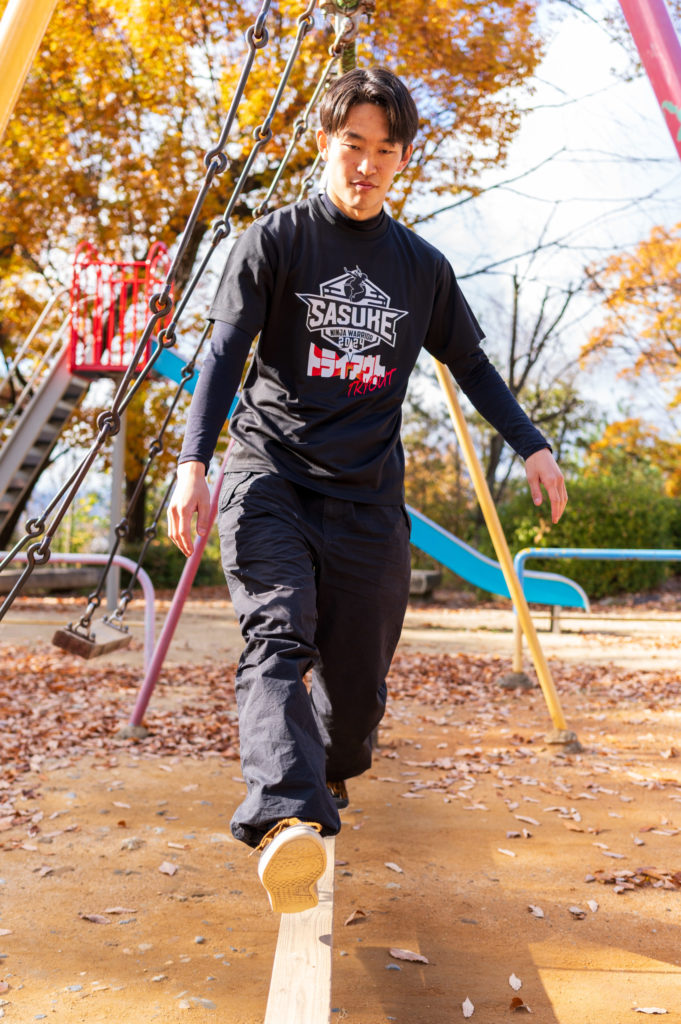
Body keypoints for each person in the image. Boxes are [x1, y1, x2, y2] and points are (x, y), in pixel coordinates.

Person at [167, 66, 568, 914]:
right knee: (277, 634)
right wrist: (192, 462)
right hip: (269, 477)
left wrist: (531, 444)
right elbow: (223, 353)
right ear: (325, 144)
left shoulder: (420, 267)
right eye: (353, 144)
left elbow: (471, 365)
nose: (367, 164)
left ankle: (326, 767)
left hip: (367, 500)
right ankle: (284, 817)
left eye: (385, 150)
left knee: (355, 696)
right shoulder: (274, 241)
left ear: (402, 160)